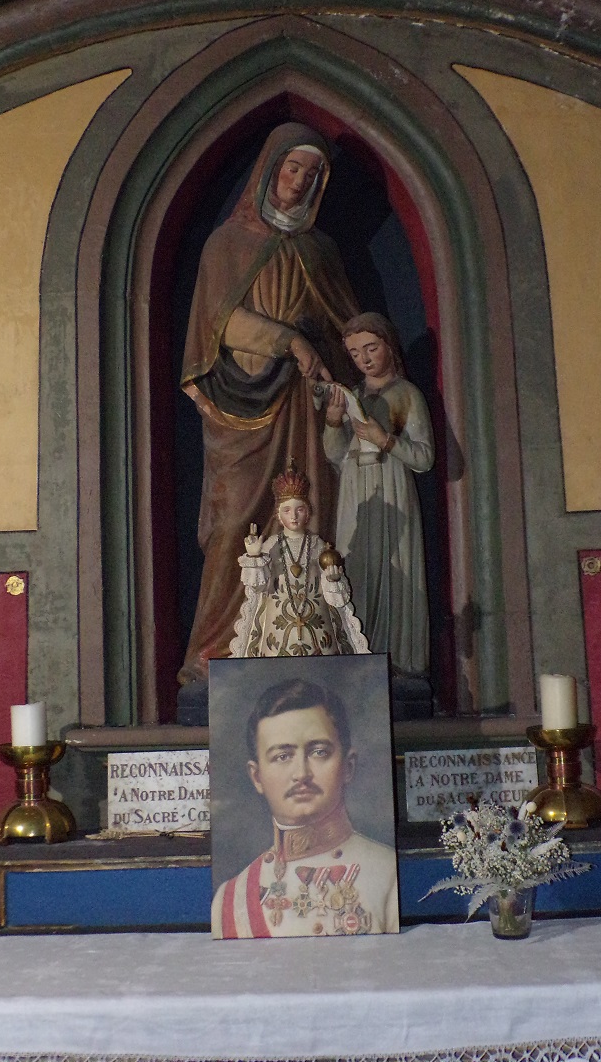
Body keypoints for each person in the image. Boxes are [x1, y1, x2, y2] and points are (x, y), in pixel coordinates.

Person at [178, 124, 360, 688]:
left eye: (311, 173)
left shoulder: (320, 250)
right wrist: (290, 340)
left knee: (313, 519)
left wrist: (347, 366)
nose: (299, 181)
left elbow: (347, 329)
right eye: (291, 168)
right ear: (268, 170)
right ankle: (213, 650)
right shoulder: (226, 243)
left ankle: (315, 637)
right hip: (244, 404)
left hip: (307, 406)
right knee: (236, 521)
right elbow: (218, 323)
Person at [211, 677, 399, 938]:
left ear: (348, 766)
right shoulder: (230, 899)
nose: (301, 773)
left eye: (319, 752)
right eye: (282, 756)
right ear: (257, 777)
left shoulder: (387, 874)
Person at [322, 312, 435, 683]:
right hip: (356, 493)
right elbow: (336, 455)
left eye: (371, 348)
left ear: (389, 345)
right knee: (354, 567)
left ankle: (400, 658)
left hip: (391, 488)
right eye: (355, 353)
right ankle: (356, 652)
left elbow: (424, 458)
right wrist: (334, 421)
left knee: (394, 570)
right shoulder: (353, 395)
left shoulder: (407, 394)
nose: (364, 359)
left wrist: (383, 438)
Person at [229, 462, 369, 658]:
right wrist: (254, 556)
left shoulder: (318, 545)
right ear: (279, 515)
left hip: (317, 623)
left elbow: (334, 598)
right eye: (287, 510)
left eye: (299, 509)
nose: (293, 516)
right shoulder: (271, 545)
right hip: (277, 625)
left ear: (308, 513)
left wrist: (333, 580)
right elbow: (258, 586)